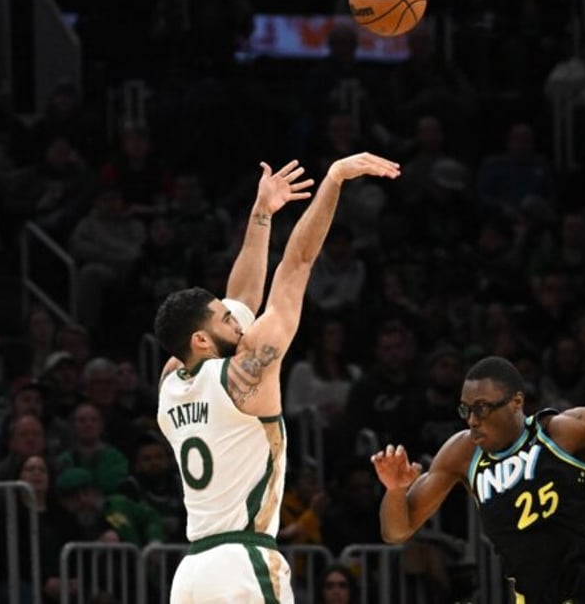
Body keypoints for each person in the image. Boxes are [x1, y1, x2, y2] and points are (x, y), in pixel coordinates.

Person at [154, 152, 400, 603]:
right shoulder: (247, 372)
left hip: (190, 574)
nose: (236, 320)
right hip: (243, 564)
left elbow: (241, 296)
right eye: (224, 320)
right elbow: (298, 264)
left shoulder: (171, 383)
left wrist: (262, 212)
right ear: (202, 341)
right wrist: (334, 179)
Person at [371, 356, 585, 603]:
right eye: (466, 409)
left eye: (482, 408)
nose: (472, 420)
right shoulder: (461, 454)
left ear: (517, 402)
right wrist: (396, 491)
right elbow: (396, 531)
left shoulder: (565, 430)